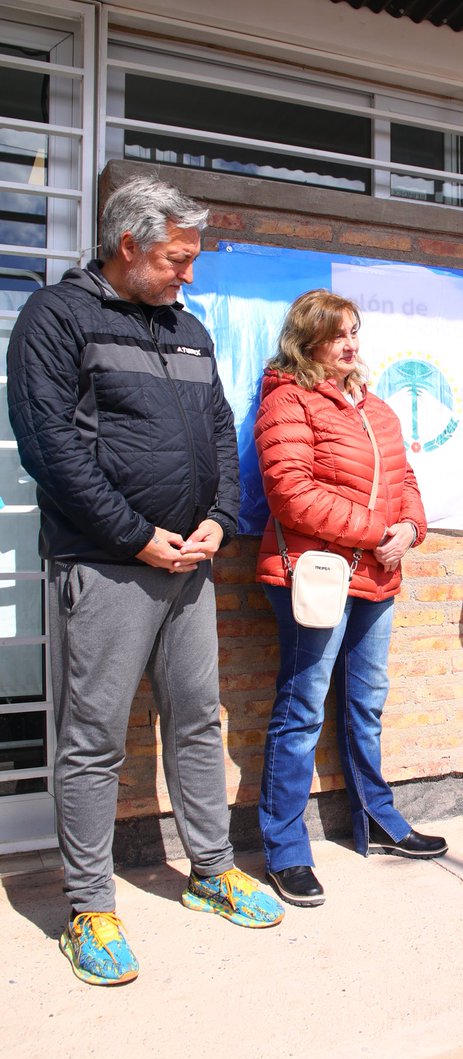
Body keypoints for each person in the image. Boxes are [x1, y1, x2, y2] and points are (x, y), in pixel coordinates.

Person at [6, 175, 284, 987]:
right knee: (92, 741)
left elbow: (221, 429)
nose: (188, 275)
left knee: (199, 721)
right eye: (176, 259)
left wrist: (220, 521)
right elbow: (48, 446)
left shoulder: (188, 330)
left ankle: (209, 872)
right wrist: (136, 537)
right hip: (105, 566)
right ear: (127, 246)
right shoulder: (56, 319)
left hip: (188, 567)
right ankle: (89, 906)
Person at [254, 289, 446, 907]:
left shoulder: (378, 407)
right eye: (339, 334)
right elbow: (291, 494)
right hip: (318, 577)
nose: (351, 344)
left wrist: (410, 530)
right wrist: (374, 534)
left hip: (377, 578)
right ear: (307, 339)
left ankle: (378, 819)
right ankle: (284, 849)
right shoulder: (288, 400)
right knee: (302, 708)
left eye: (355, 332)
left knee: (367, 703)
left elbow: (405, 481)